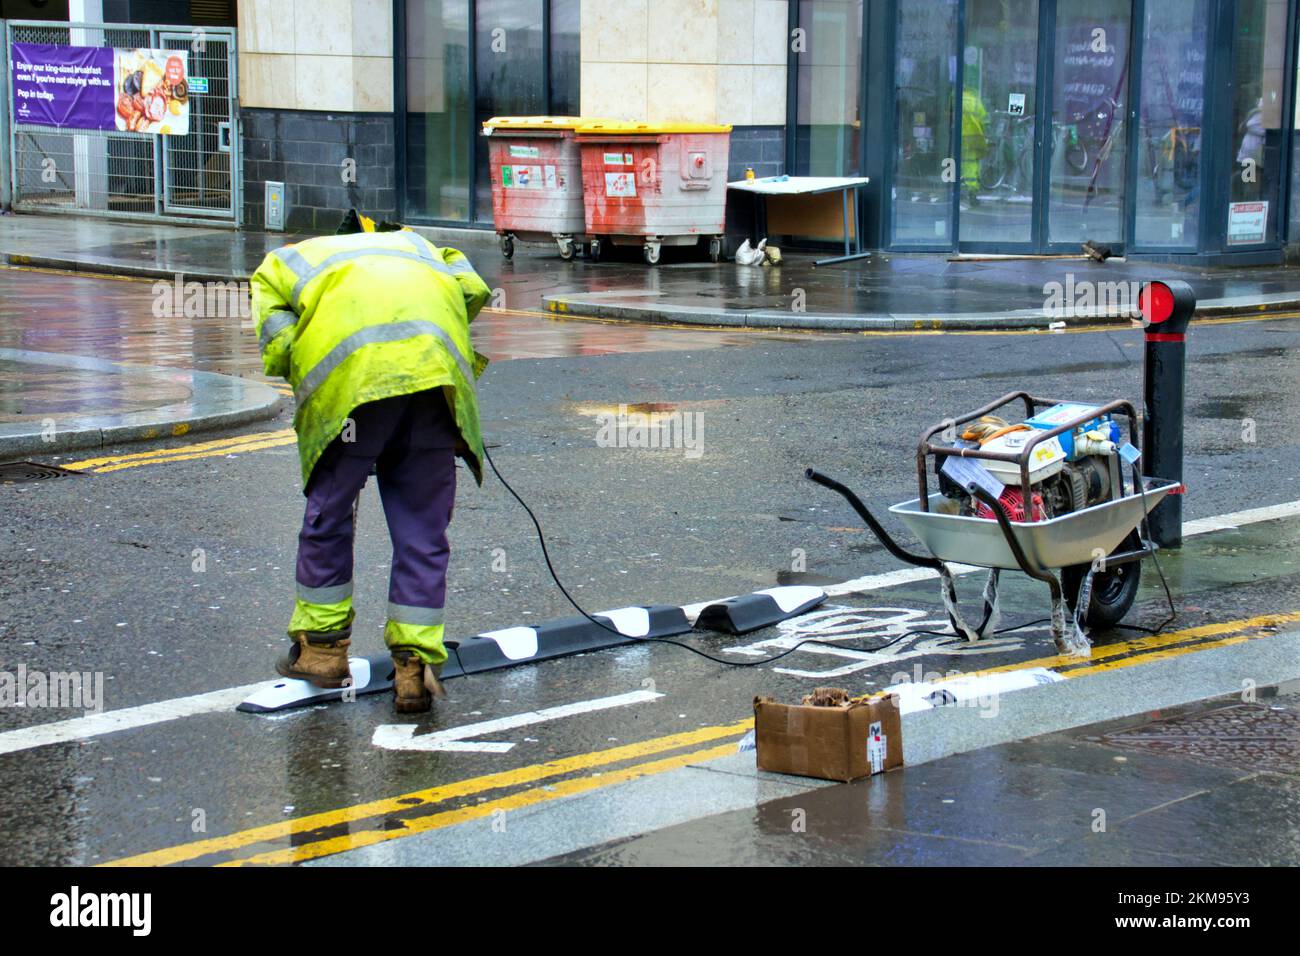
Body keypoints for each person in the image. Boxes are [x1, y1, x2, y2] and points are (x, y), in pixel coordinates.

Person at [248, 210, 490, 712]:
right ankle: (413, 671)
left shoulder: (290, 260)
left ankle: (322, 653)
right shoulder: (424, 248)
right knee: (424, 529)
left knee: (329, 514)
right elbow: (473, 292)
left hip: (354, 394)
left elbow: (279, 342)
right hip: (431, 383)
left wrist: (306, 359)